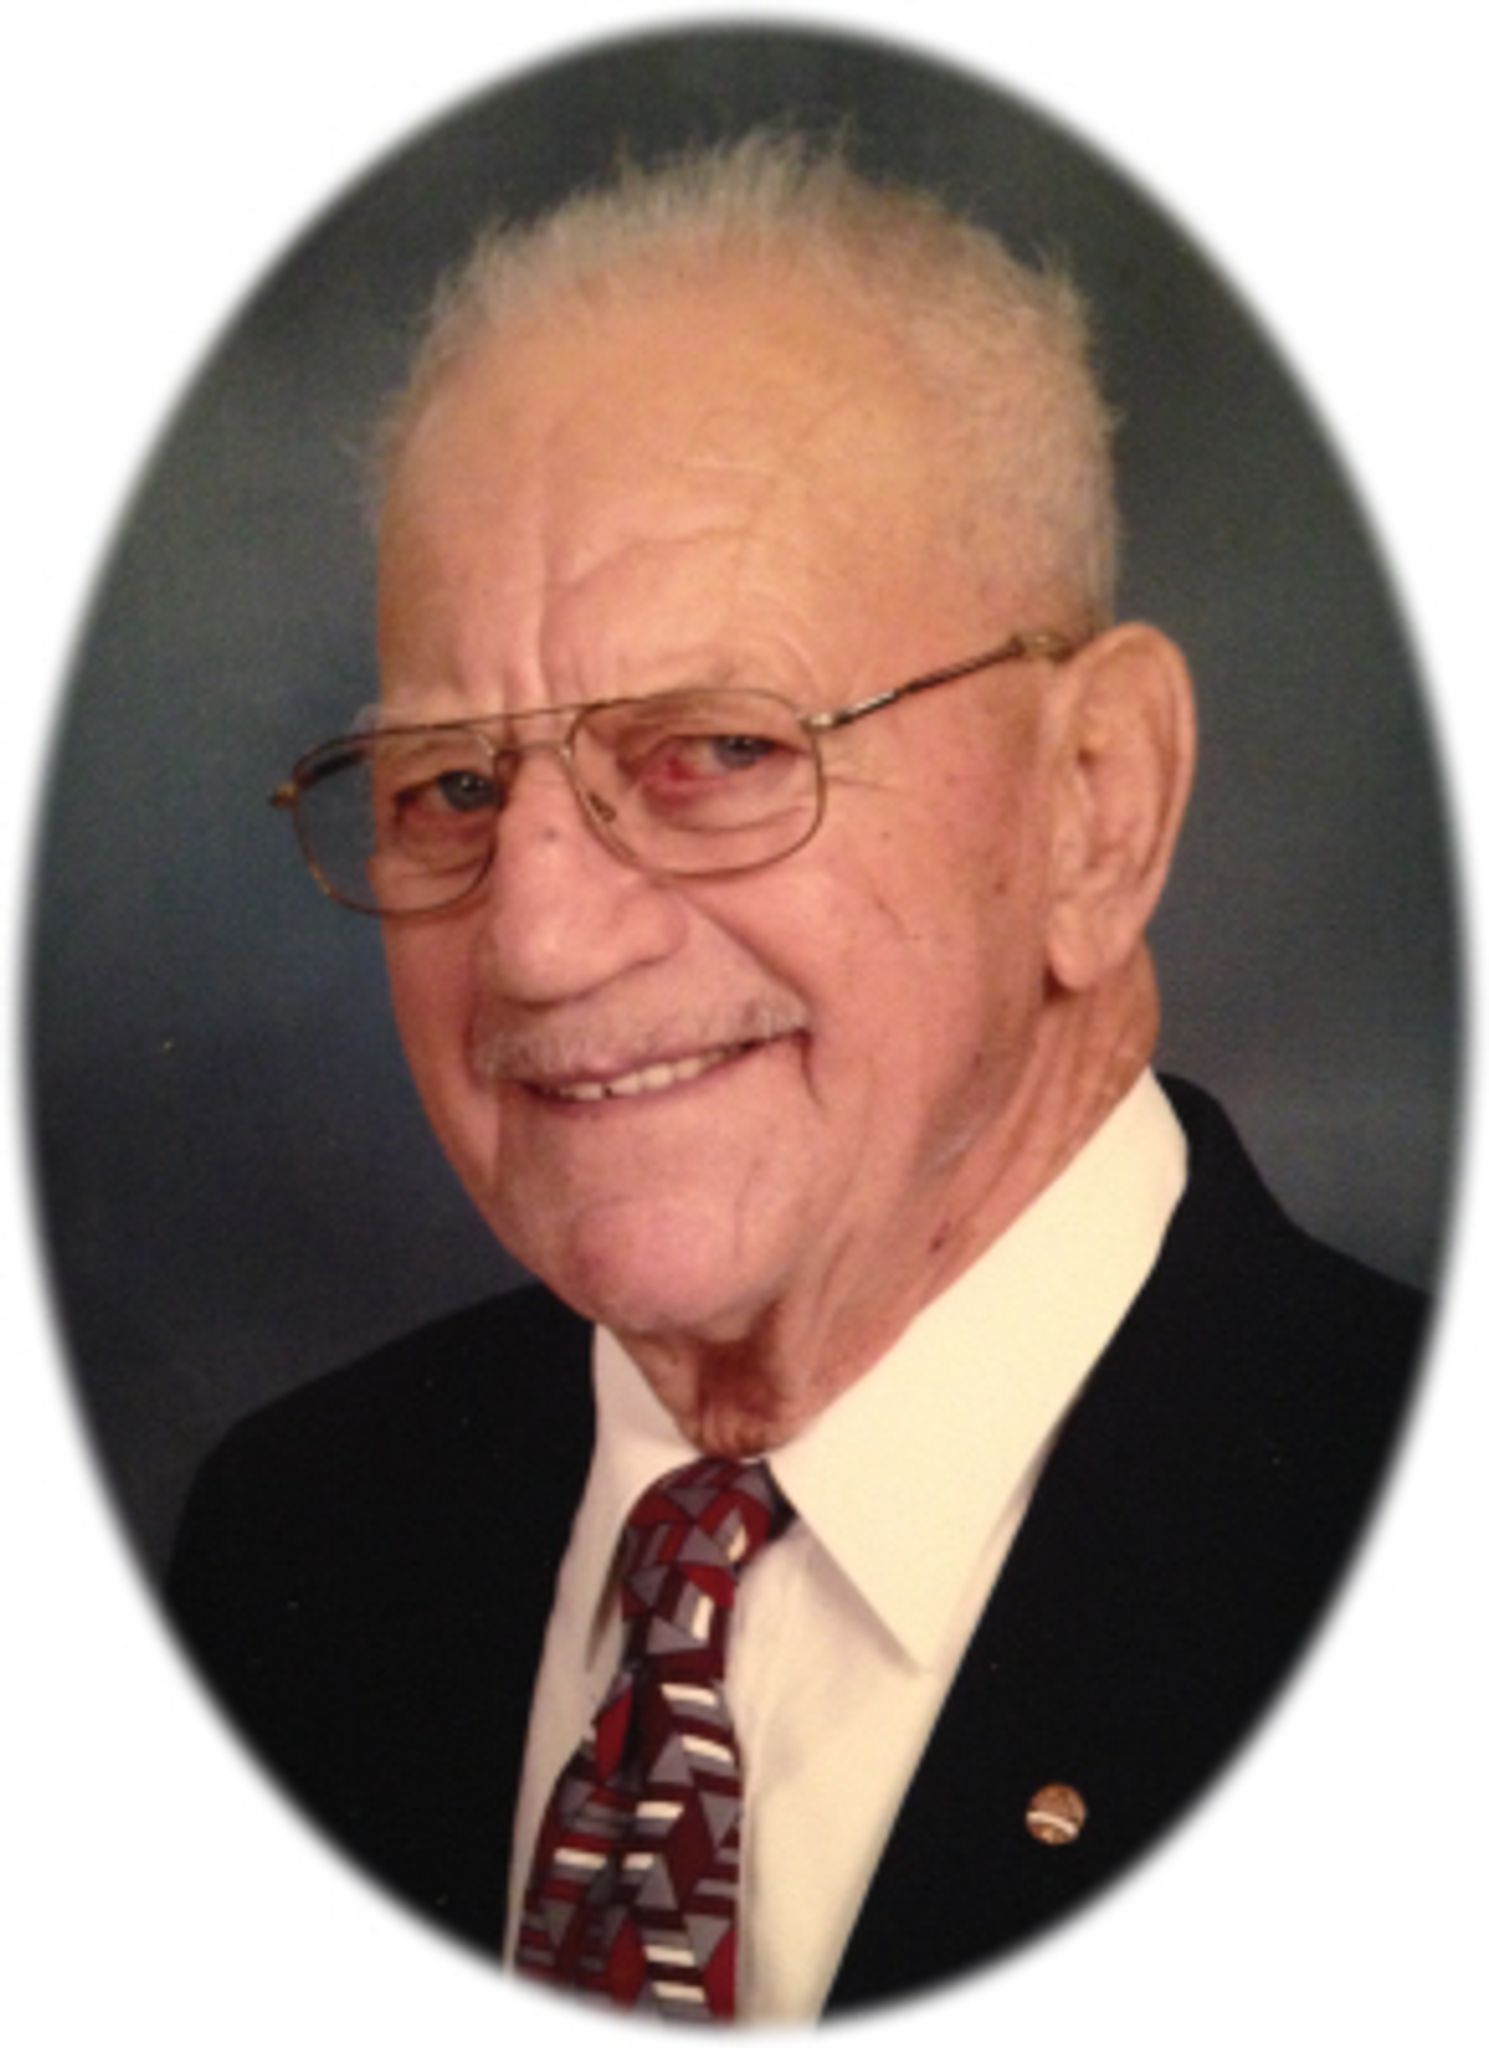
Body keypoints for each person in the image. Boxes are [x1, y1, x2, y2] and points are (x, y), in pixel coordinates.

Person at [168, 135, 1423, 2022]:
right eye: (452, 785)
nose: (537, 940)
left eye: (718, 751)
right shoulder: (298, 1539)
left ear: (1094, 807)